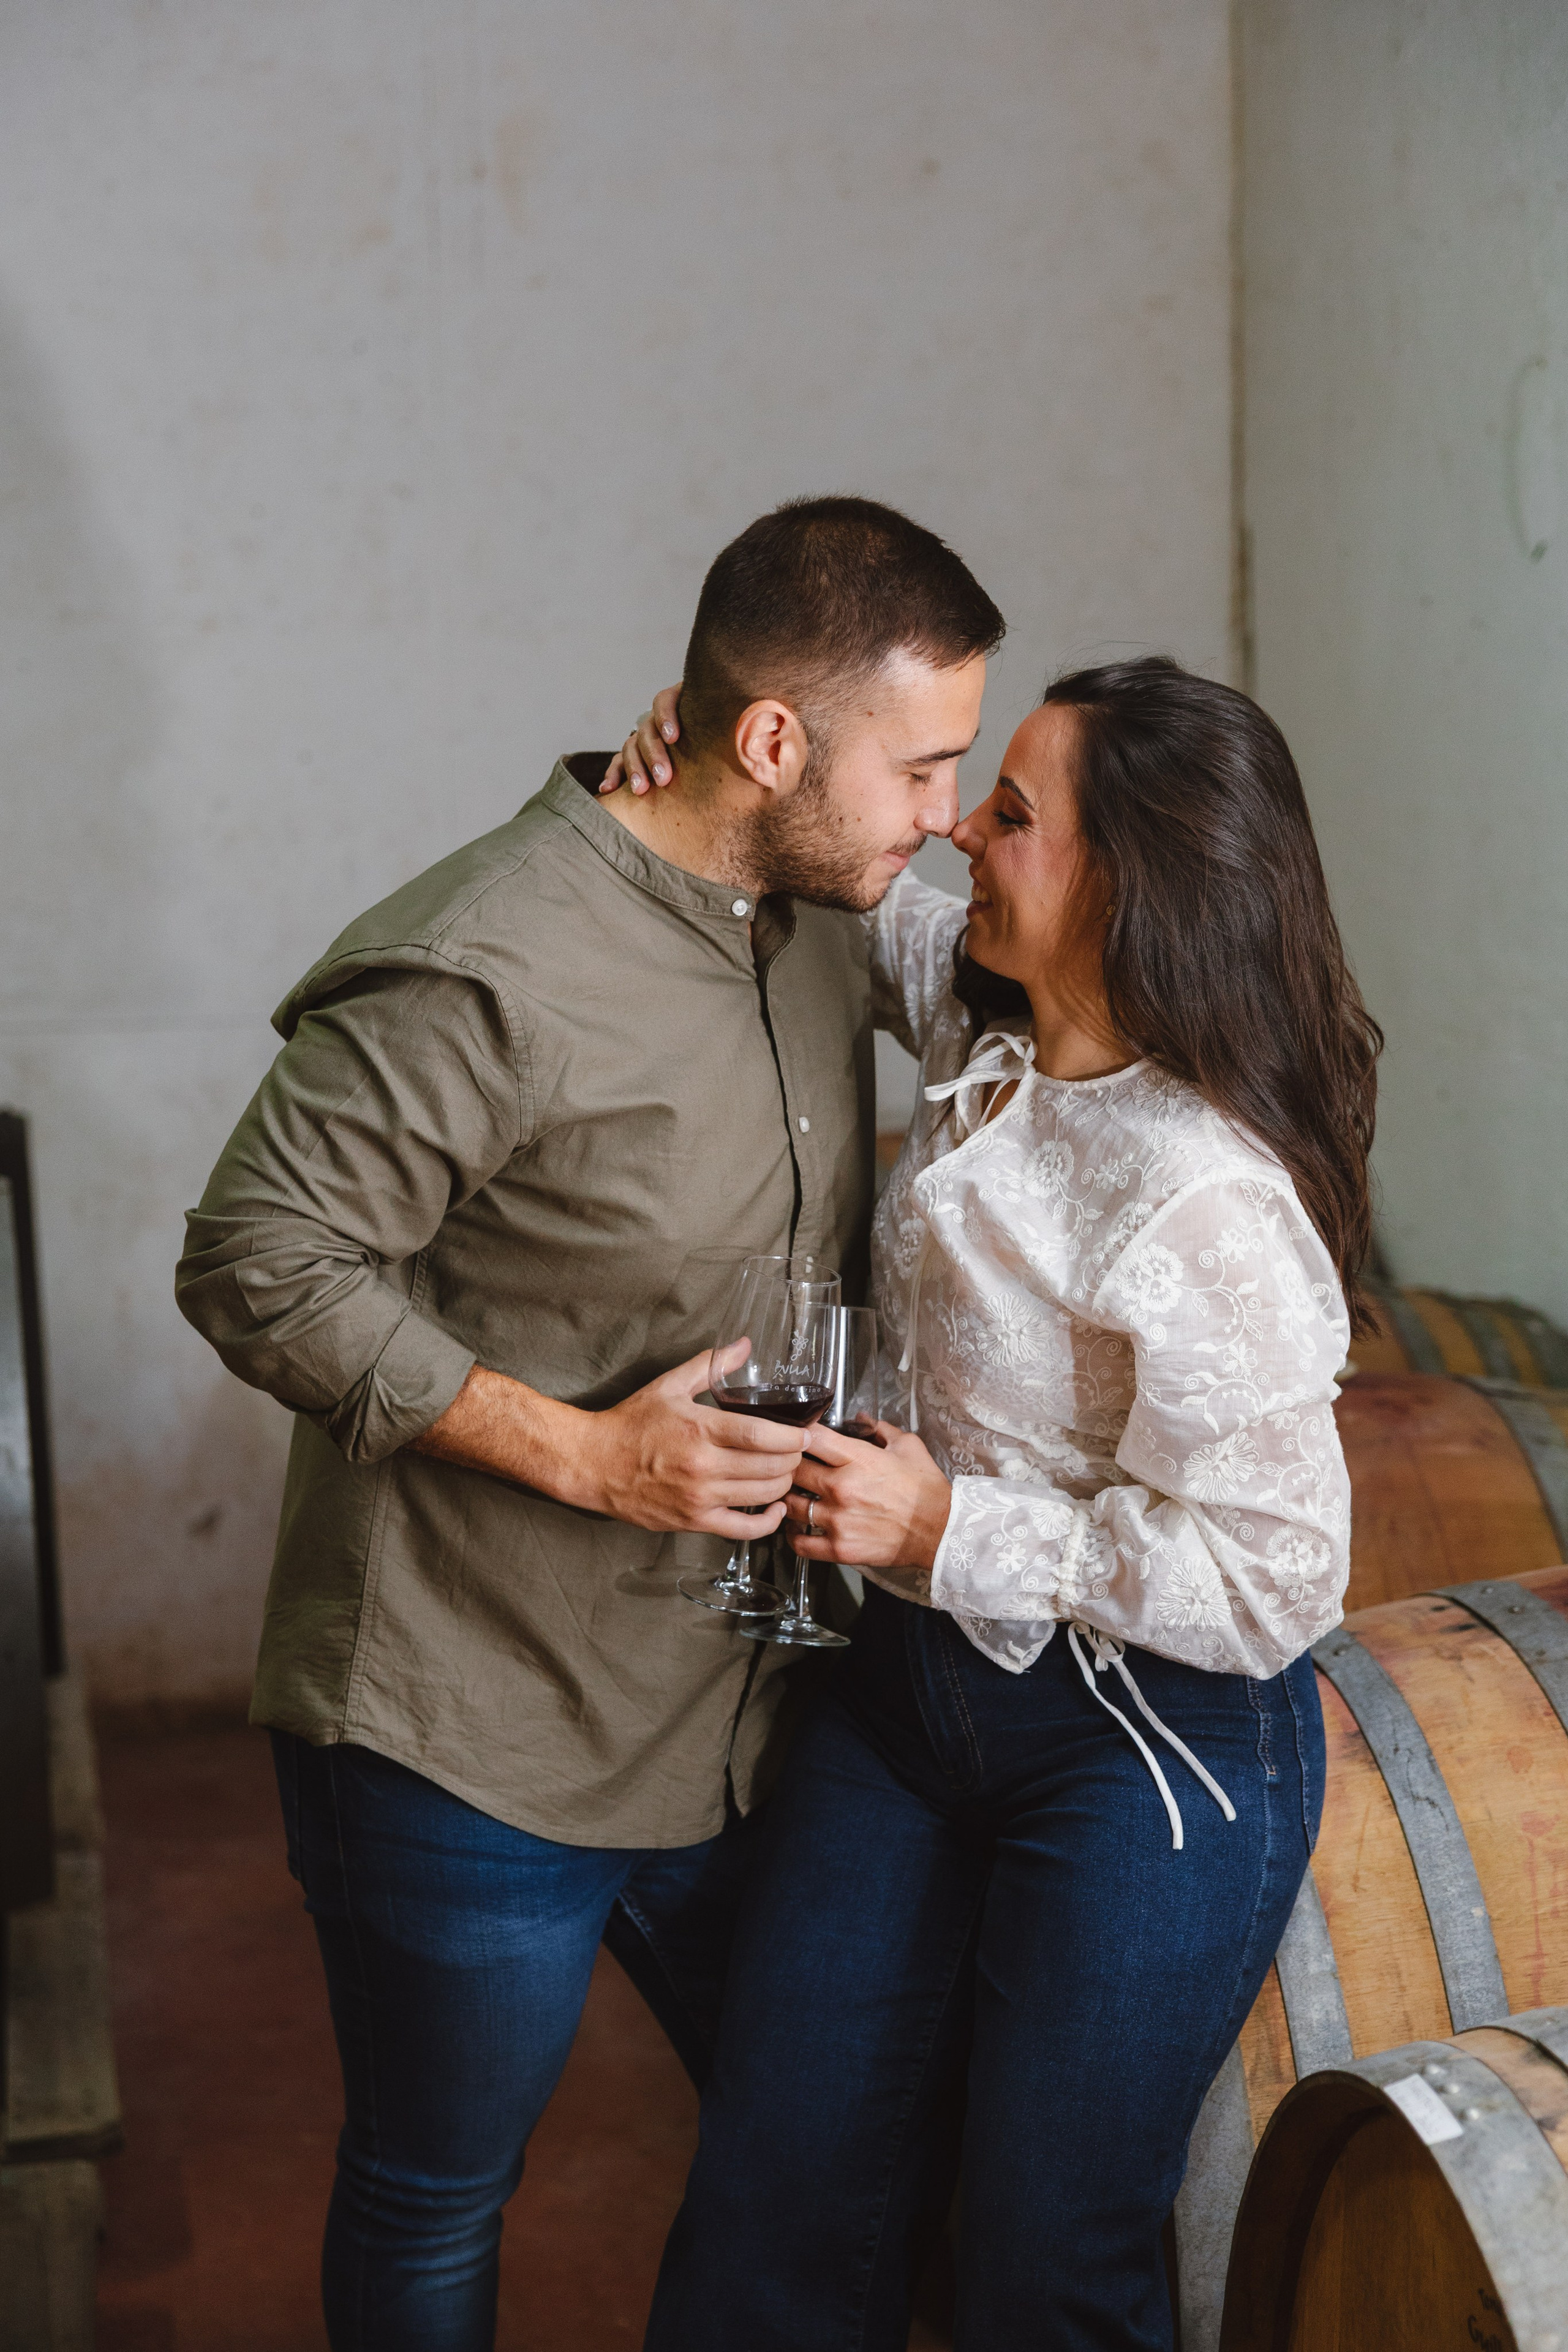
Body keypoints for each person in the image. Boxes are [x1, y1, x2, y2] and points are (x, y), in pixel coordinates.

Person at [173, 494, 1004, 2352]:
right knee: (436, 2193)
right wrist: (589, 1454)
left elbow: (1017, 965)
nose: (944, 815)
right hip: (470, 1725)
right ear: (777, 742)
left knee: (827, 2150)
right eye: (928, 767)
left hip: (746, 1712)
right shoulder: (486, 964)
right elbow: (252, 1259)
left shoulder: (810, 903)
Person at [610, 657, 1379, 2351]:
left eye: (1012, 813)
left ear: (1131, 881)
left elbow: (1277, 1579)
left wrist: (946, 1532)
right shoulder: (987, 1006)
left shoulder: (1205, 1198)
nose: (960, 827)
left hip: (1144, 1746)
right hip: (908, 1697)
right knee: (770, 2203)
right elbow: (847, 873)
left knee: (1048, 2269)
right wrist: (692, 765)